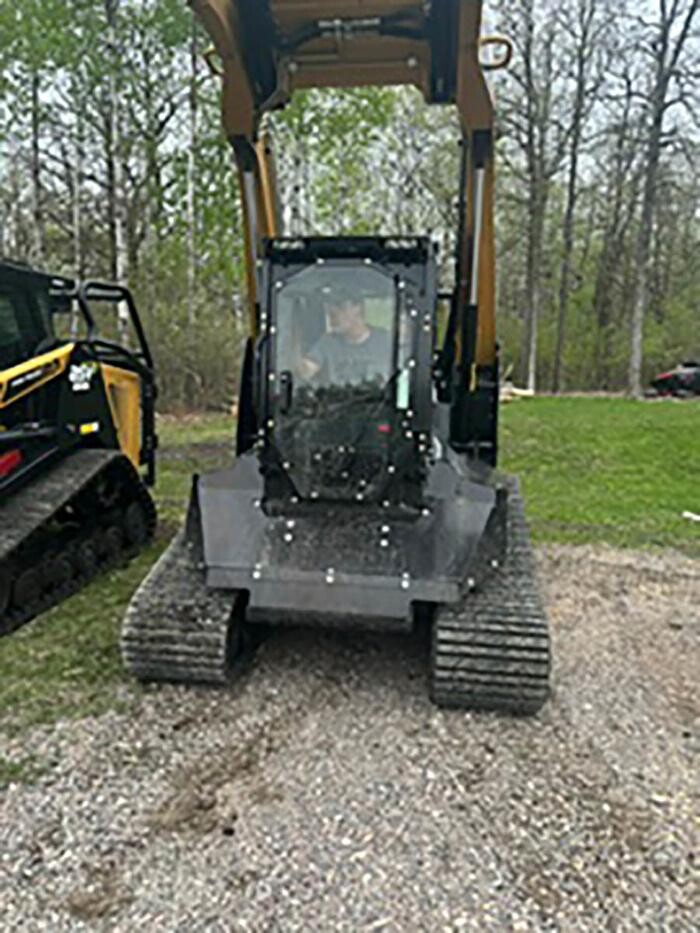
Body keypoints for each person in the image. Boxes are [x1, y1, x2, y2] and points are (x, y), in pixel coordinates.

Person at [300, 287, 391, 386]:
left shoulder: (387, 341)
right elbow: (305, 371)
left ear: (357, 308)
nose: (332, 312)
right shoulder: (327, 343)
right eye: (330, 307)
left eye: (340, 306)